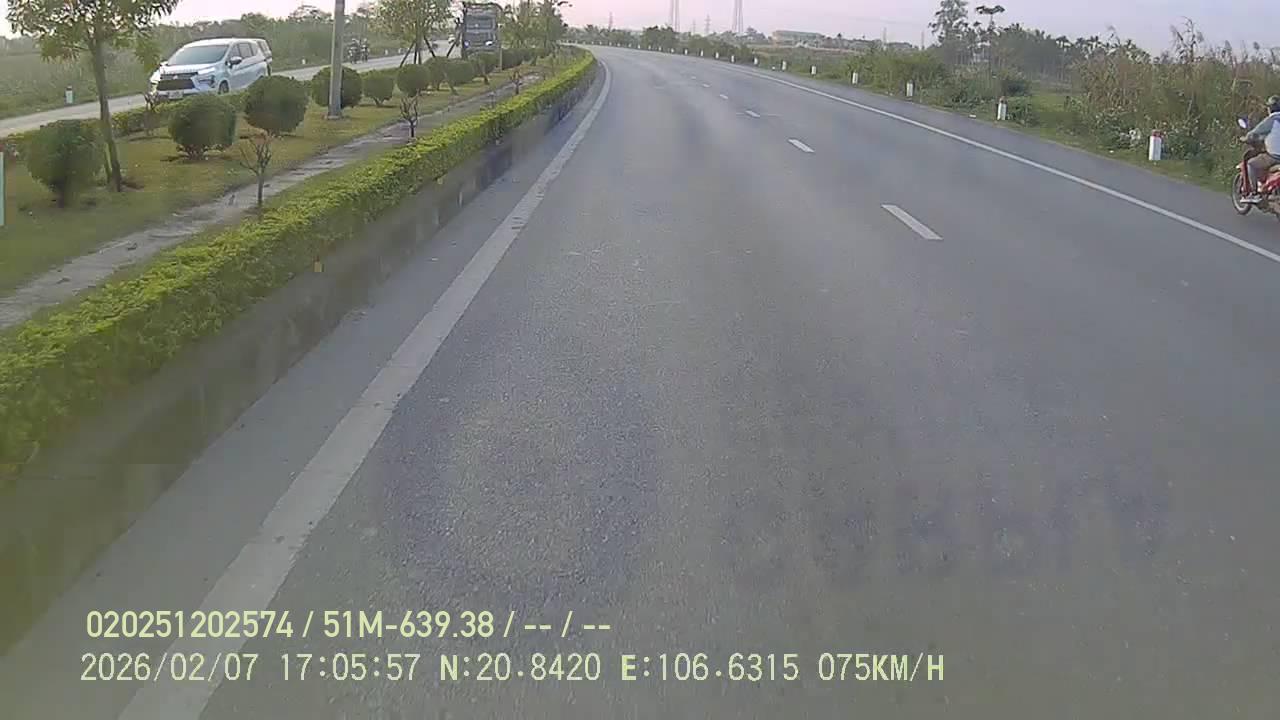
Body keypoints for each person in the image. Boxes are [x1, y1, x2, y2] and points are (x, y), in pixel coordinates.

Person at [1243, 95, 1280, 201]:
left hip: (1274, 157)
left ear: (1271, 108)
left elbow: (1256, 131)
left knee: (1251, 164)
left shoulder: (1272, 120)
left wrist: (1246, 137)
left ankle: (1254, 194)